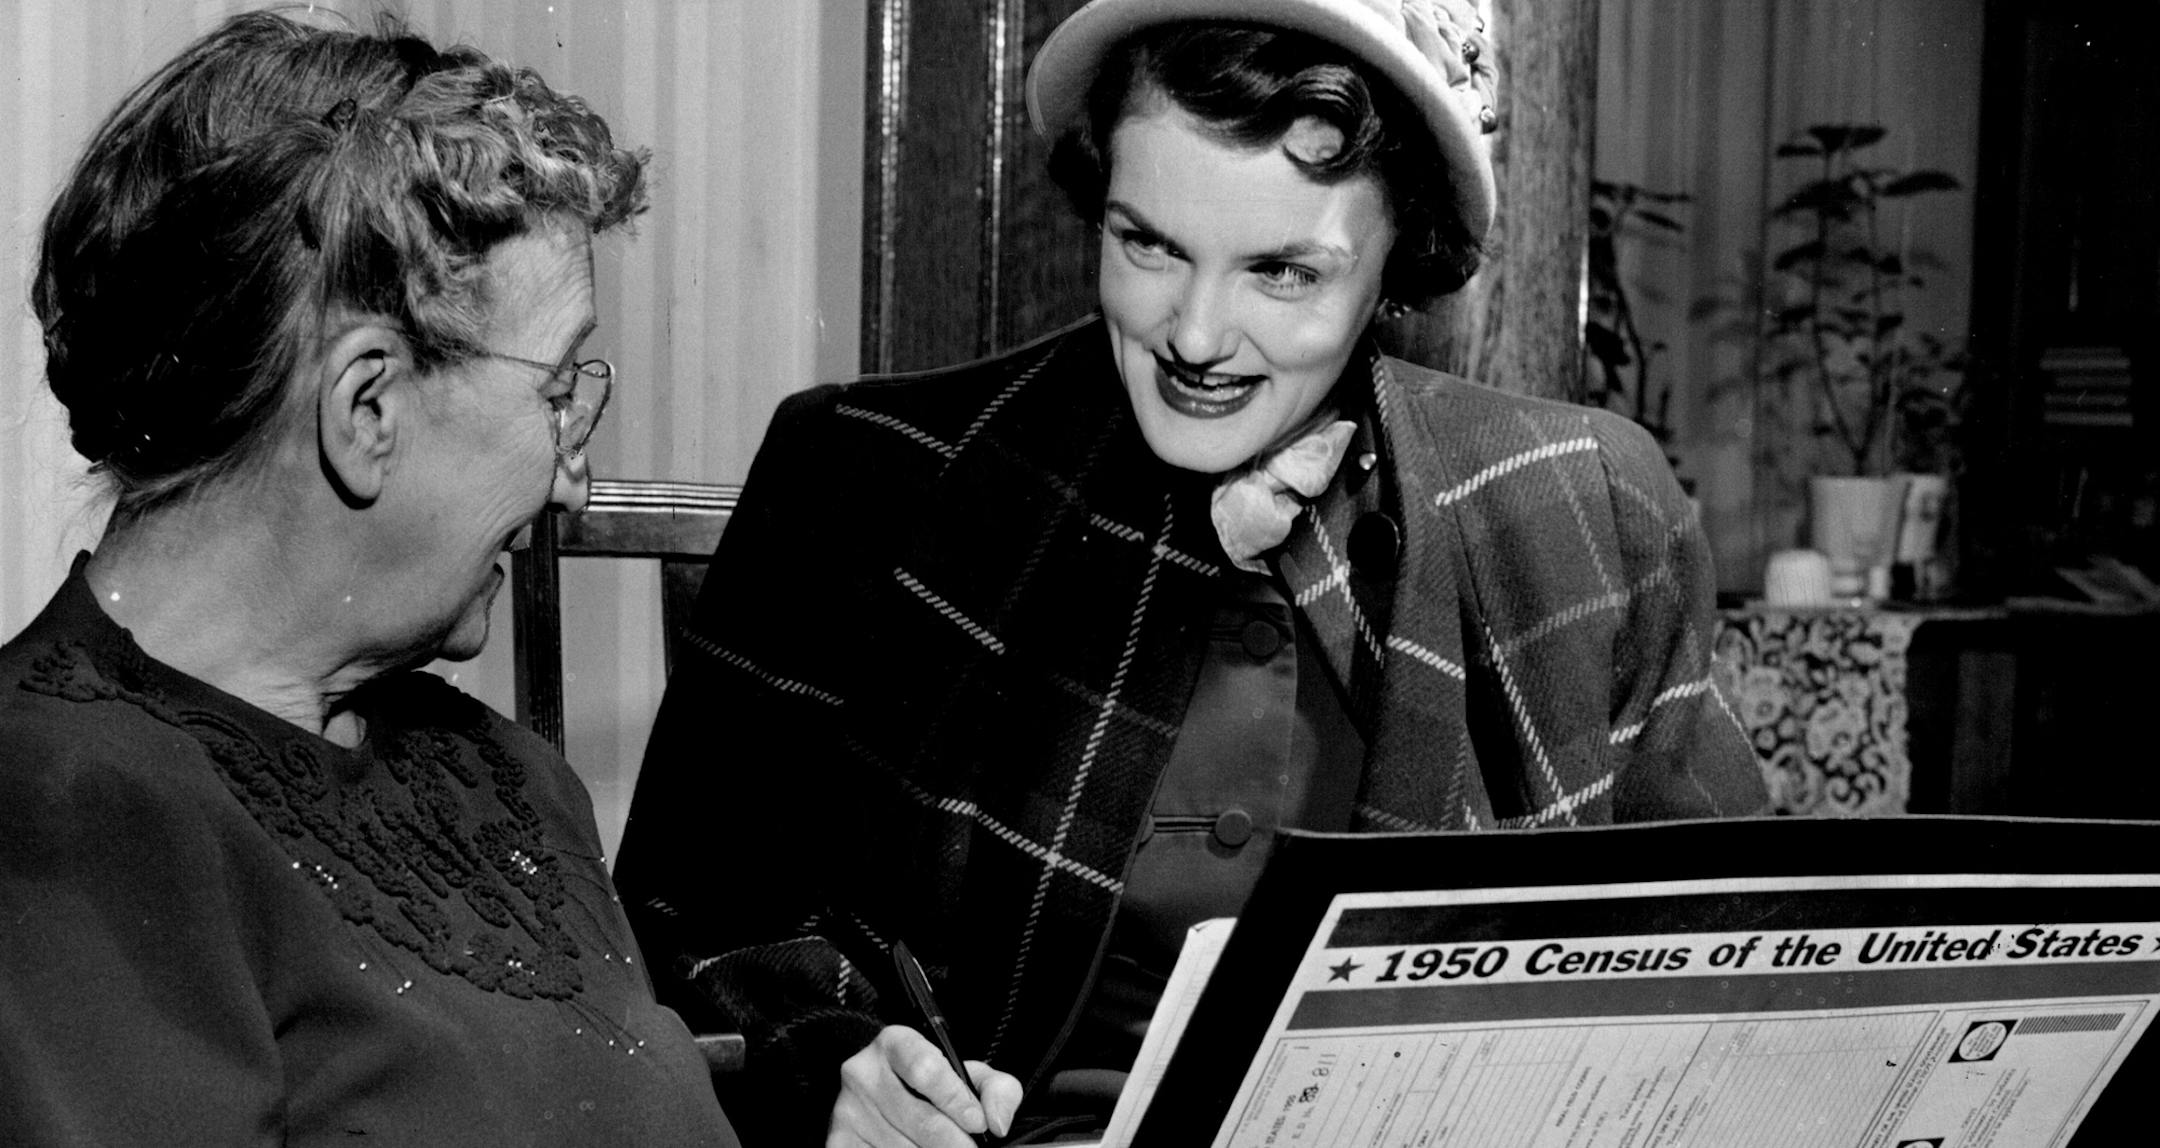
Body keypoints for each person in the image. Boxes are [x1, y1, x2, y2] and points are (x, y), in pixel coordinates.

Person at [616, 0, 1766, 1144]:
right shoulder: (865, 471)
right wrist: (832, 1061)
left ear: (1397, 262)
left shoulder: (1583, 507)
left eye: (1283, 271)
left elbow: (1733, 968)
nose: (1197, 337)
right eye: (1149, 244)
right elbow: (686, 915)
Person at [0, 12, 736, 1146]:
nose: (573, 483)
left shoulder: (511, 783)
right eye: (556, 395)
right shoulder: (51, 822)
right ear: (367, 408)